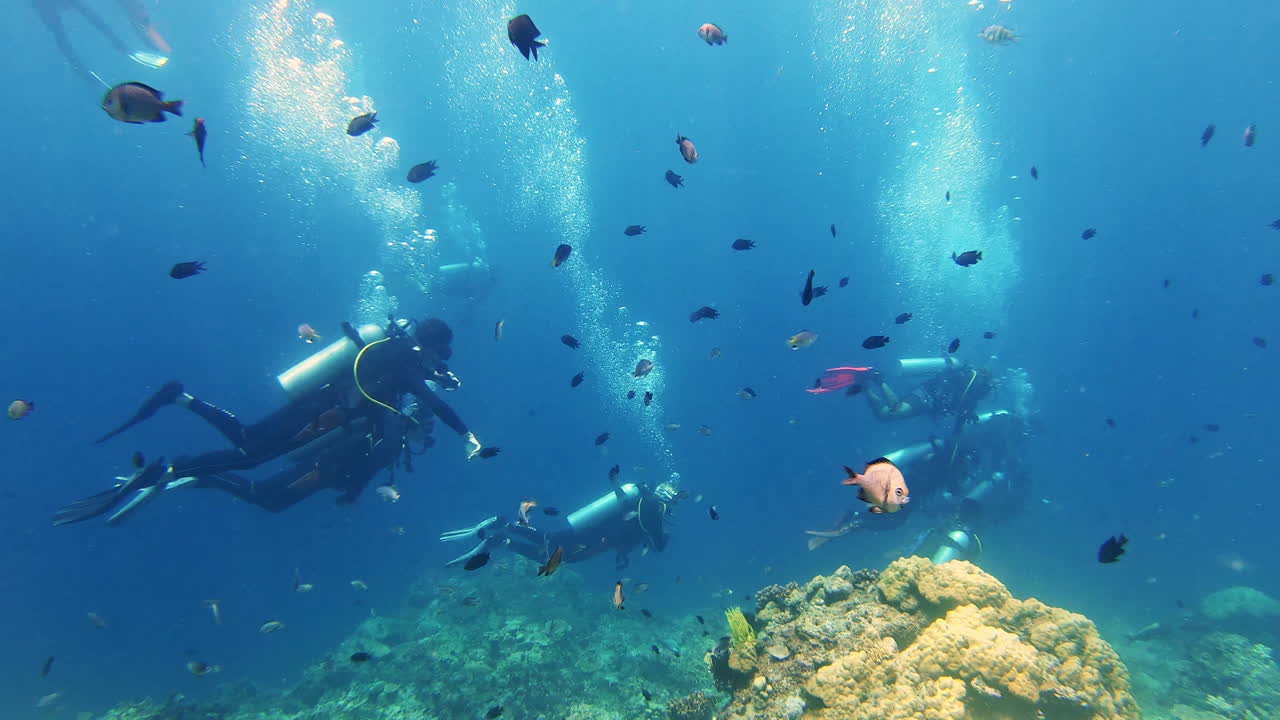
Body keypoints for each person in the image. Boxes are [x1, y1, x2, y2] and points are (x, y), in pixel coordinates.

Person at [54, 316, 485, 526]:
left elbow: (418, 389)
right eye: (441, 352)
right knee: (249, 455)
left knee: (248, 445)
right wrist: (468, 436)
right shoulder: (403, 361)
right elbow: (431, 398)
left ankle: (180, 400)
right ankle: (172, 467)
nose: (439, 361)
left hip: (317, 411)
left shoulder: (396, 356)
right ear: (430, 345)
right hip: (314, 413)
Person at [440, 480, 684, 571]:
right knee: (557, 551)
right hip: (595, 537)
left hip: (592, 532)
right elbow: (658, 543)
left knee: (553, 544)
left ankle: (505, 538)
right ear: (668, 499)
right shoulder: (653, 509)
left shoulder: (643, 501)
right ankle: (505, 530)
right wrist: (665, 535)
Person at [32, 0, 172, 84]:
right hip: (43, 3)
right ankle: (81, 67)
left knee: (63, 31)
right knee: (63, 30)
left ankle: (118, 46)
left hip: (43, 4)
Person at [863, 357, 995, 424]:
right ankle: (878, 378)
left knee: (884, 415)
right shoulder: (967, 380)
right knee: (896, 411)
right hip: (925, 395)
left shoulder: (971, 400)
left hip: (928, 404)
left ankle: (864, 386)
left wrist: (969, 415)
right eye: (985, 389)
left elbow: (960, 413)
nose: (985, 394)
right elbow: (948, 379)